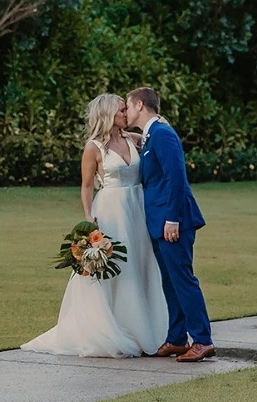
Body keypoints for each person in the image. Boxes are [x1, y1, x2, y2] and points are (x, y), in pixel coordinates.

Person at [22, 94, 169, 358]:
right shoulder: (93, 148)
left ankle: (148, 327)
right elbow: (87, 185)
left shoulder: (134, 140)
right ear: (107, 113)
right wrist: (89, 218)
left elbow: (162, 138)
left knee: (142, 263)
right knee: (116, 268)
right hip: (111, 210)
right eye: (121, 109)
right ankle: (112, 327)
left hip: (138, 207)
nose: (126, 112)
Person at [125, 87, 215, 362]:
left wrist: (172, 219)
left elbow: (177, 178)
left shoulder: (163, 134)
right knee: (170, 282)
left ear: (140, 105)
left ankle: (202, 340)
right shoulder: (153, 135)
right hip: (159, 222)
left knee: (183, 280)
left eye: (128, 106)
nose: (126, 112)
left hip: (173, 222)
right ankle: (177, 338)